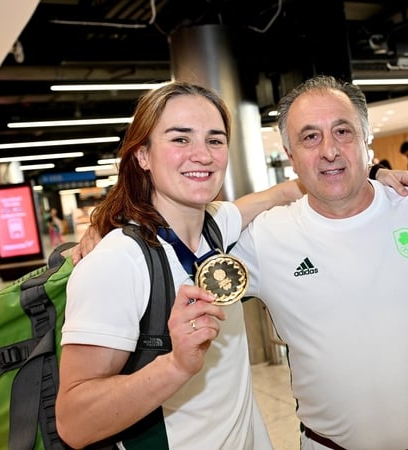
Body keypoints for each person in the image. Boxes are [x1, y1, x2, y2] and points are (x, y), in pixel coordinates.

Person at [56, 81, 309, 449]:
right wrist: (176, 365)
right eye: (180, 139)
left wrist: (376, 183)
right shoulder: (118, 262)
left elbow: (284, 191)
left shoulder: (215, 224)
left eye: (215, 139)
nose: (203, 155)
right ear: (142, 155)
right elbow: (74, 422)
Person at [230, 75, 408, 449]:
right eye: (310, 137)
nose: (329, 150)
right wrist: (275, 194)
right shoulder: (265, 237)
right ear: (289, 153)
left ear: (367, 140)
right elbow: (183, 251)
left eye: (343, 131)